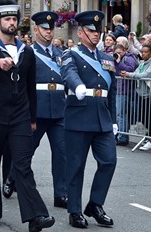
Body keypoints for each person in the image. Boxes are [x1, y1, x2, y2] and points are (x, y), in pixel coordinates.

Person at [0, 1, 55, 231]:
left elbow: (31, 86)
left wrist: (32, 118)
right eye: (7, 20)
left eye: (14, 19)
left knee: (22, 165)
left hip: (19, 116)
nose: (12, 23)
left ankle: (36, 216)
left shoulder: (26, 51)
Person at [60, 10, 117, 228]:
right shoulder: (70, 54)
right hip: (78, 116)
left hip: (102, 118)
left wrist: (113, 119)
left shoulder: (107, 58)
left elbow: (111, 90)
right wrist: (78, 86)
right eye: (91, 31)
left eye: (98, 31)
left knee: (109, 161)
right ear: (81, 33)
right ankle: (74, 210)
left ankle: (95, 204)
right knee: (75, 166)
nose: (96, 35)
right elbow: (68, 73)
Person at [30, 11, 68, 208]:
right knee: (27, 150)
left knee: (62, 153)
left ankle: (61, 193)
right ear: (36, 29)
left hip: (59, 111)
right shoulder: (28, 53)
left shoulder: (61, 54)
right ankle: (12, 176)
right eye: (45, 28)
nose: (49, 32)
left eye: (51, 28)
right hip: (37, 109)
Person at [120, 45, 151, 151]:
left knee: (150, 117)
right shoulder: (142, 63)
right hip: (141, 93)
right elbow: (138, 72)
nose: (143, 54)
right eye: (142, 52)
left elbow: (147, 74)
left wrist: (129, 74)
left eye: (146, 52)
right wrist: (131, 74)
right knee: (143, 117)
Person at [113, 43, 139, 146]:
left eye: (120, 52)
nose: (118, 54)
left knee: (121, 114)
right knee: (118, 114)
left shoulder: (129, 58)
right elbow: (115, 72)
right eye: (116, 53)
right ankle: (119, 135)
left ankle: (123, 137)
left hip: (125, 90)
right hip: (118, 89)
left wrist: (119, 62)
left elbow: (130, 69)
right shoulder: (115, 58)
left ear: (124, 51)